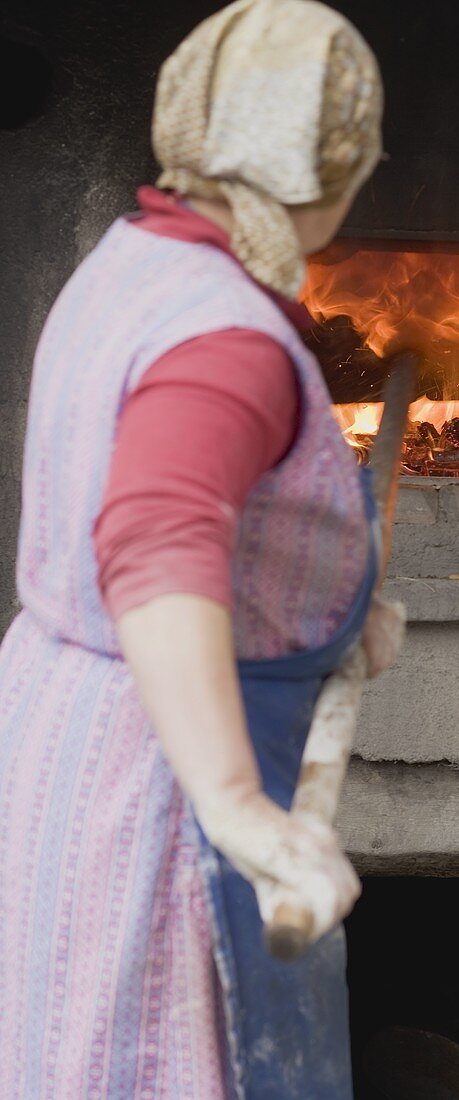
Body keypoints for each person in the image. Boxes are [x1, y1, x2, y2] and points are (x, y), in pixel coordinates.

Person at [0, 1, 401, 1096]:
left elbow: (190, 511)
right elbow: (156, 537)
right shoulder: (223, 335)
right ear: (336, 167)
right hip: (156, 775)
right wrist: (233, 802)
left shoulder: (136, 255)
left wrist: (319, 606)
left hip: (69, 724)